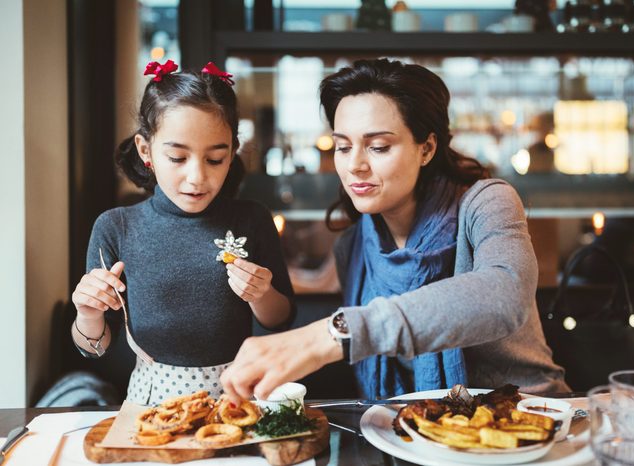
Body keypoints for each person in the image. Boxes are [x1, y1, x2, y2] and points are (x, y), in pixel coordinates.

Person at [220, 58, 567, 403]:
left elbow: (503, 295)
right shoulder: (354, 245)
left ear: (427, 148)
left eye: (378, 147)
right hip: (416, 432)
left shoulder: (487, 202)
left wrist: (333, 335)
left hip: (533, 418)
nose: (355, 164)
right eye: (343, 146)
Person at [70, 60, 294, 405]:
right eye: (177, 157)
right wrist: (88, 313)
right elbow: (94, 349)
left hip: (237, 396)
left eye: (215, 159)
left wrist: (260, 293)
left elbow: (280, 320)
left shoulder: (252, 218)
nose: (196, 177)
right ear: (146, 151)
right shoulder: (116, 227)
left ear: (232, 152)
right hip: (151, 401)